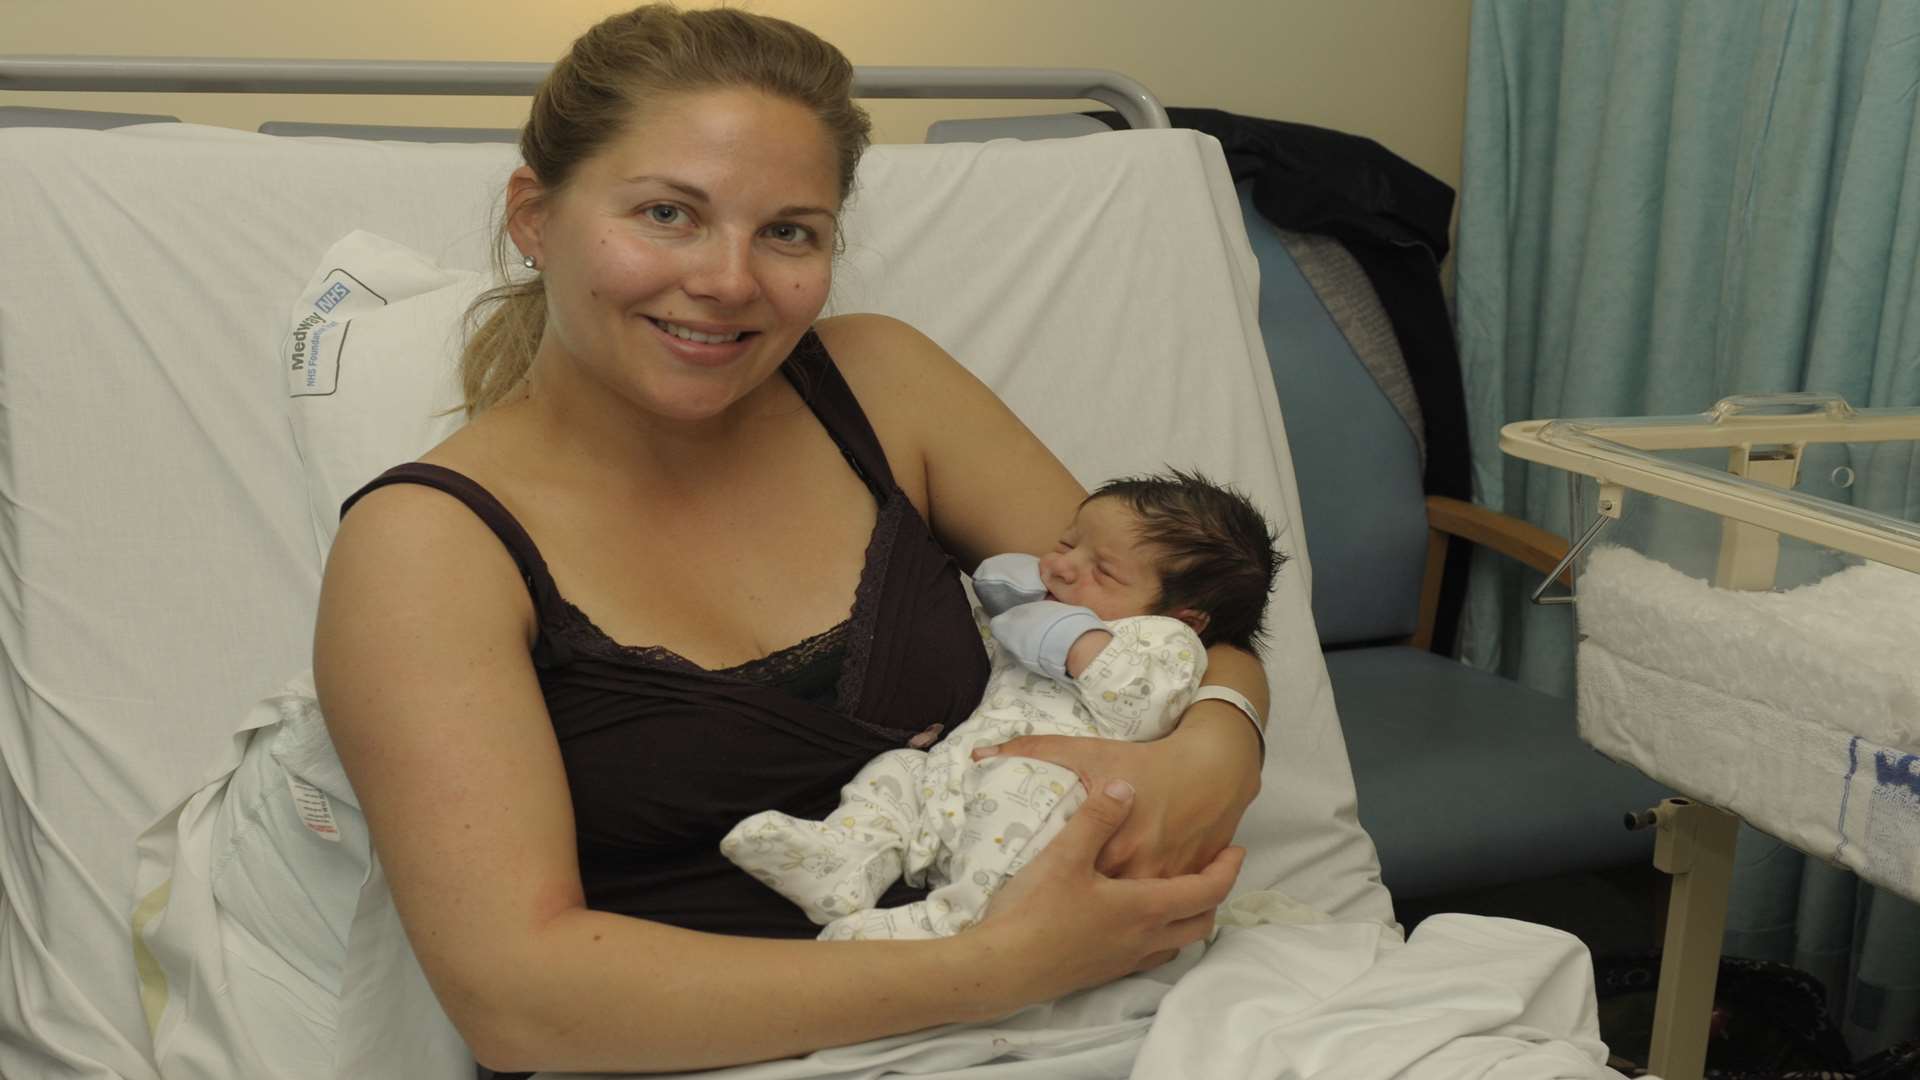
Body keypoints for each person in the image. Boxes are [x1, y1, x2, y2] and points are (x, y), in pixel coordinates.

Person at [312, 5, 1270, 1074]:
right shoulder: (428, 549)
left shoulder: (885, 389)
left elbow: (1169, 612)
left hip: (1103, 1009)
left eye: (788, 231)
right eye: (669, 214)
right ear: (536, 218)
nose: (730, 281)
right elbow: (518, 999)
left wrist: (1220, 741)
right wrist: (1000, 966)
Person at [723, 471, 1283, 942]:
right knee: (894, 774)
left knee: (1014, 818)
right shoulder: (1044, 615)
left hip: (1052, 790)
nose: (1062, 566)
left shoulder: (1164, 643)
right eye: (1068, 544)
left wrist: (1075, 641)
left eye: (1103, 570)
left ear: (1184, 617)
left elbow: (1144, 705)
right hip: (961, 768)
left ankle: (952, 923)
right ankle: (846, 859)